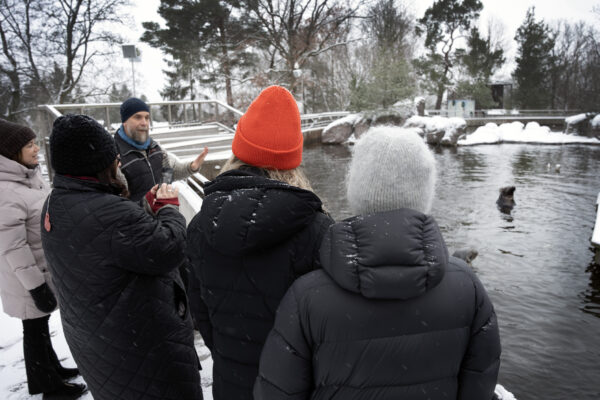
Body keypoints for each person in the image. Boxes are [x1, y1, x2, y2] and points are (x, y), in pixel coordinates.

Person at [254, 127, 502, 400]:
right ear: (425, 193)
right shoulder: (467, 288)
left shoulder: (306, 298)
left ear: (356, 189)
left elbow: (277, 393)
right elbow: (479, 386)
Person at [186, 85, 334, 400]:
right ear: (292, 160)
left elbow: (202, 315)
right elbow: (328, 330)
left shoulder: (199, 227)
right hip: (294, 388)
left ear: (237, 151)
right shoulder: (317, 230)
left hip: (231, 384)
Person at [41, 114, 202, 400]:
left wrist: (143, 209)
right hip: (143, 354)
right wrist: (167, 208)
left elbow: (110, 238)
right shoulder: (111, 214)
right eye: (113, 158)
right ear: (99, 165)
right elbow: (170, 248)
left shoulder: (56, 202)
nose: (118, 163)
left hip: (102, 348)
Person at [0, 119, 86, 400]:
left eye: (35, 142)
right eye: (29, 145)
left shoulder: (27, 177)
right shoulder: (6, 191)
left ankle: (50, 371)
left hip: (39, 269)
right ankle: (49, 387)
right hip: (25, 278)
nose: (36, 149)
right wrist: (36, 287)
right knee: (34, 330)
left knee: (38, 326)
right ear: (11, 152)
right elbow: (12, 246)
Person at [114, 97, 208, 201]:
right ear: (124, 122)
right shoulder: (115, 156)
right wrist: (150, 206)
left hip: (165, 213)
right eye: (138, 117)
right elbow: (120, 203)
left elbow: (169, 172)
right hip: (140, 216)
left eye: (147, 118)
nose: (144, 123)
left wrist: (191, 167)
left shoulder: (154, 146)